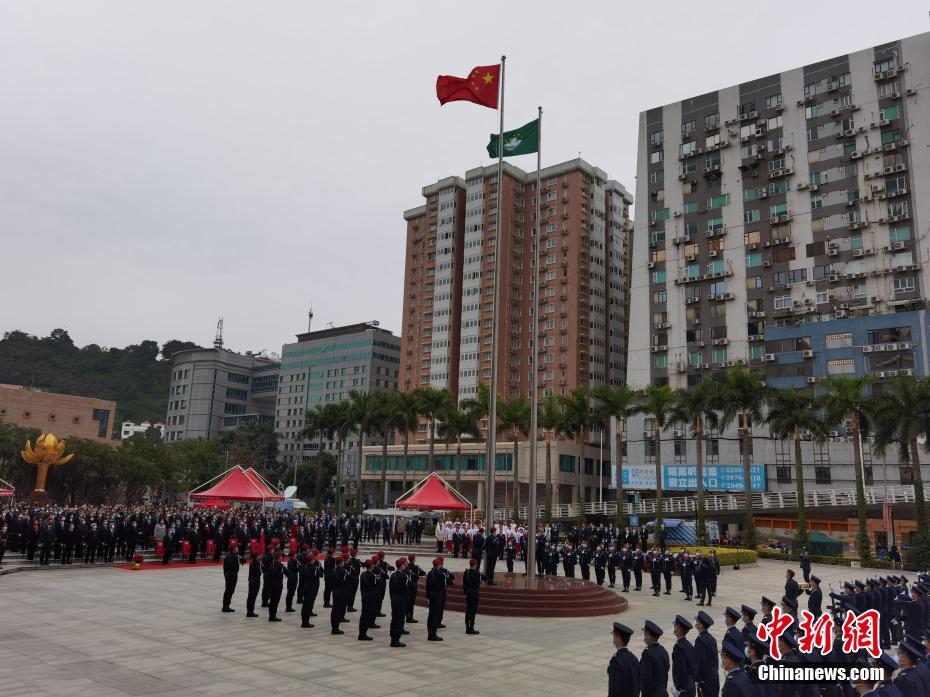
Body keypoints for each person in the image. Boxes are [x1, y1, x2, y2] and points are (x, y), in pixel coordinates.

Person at [608, 622, 640, 697]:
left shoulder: (616, 661)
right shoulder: (633, 657)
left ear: (618, 639)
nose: (613, 639)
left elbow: (614, 690)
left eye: (614, 636)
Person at [640, 620, 669, 697]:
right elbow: (665, 676)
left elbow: (646, 680)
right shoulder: (663, 650)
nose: (644, 637)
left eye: (645, 634)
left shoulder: (647, 654)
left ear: (649, 635)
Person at [426, 556, 452, 641]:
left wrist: (428, 597)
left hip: (431, 595)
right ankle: (433, 634)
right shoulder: (441, 574)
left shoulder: (429, 573)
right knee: (435, 615)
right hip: (438, 595)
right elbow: (449, 582)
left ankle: (429, 633)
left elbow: (427, 586)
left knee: (430, 614)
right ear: (439, 565)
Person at [695, 610, 719, 697]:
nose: (695, 623)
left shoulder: (700, 640)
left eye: (697, 621)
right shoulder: (711, 638)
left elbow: (701, 662)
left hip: (705, 680)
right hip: (713, 677)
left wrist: (698, 679)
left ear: (701, 625)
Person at [672, 615, 697, 697]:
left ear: (678, 629)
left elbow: (680, 670)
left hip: (684, 688)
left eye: (674, 626)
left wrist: (679, 689)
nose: (673, 628)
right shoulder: (689, 645)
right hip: (690, 685)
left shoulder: (679, 647)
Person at [299, 551, 323, 628]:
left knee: (305, 605)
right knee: (309, 605)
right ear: (312, 560)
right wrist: (320, 567)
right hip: (312, 588)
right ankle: (306, 622)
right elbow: (321, 574)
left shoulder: (304, 567)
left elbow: (301, 580)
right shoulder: (315, 568)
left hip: (305, 587)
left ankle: (303, 621)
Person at [388, 557, 409, 647]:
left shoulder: (392, 575)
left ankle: (393, 638)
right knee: (400, 619)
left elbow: (390, 589)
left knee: (394, 618)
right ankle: (396, 639)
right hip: (401, 598)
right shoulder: (404, 576)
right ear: (401, 566)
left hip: (394, 598)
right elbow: (408, 587)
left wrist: (392, 597)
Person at [357, 559, 378, 641]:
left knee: (364, 615)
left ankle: (362, 633)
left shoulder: (362, 574)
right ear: (371, 566)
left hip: (364, 595)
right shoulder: (372, 576)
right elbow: (376, 585)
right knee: (366, 615)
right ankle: (363, 634)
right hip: (370, 596)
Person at [463, 558, 482, 635]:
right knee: (473, 611)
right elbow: (478, 583)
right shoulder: (477, 573)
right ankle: (471, 628)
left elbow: (464, 585)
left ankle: (467, 628)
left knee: (468, 610)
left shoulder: (466, 572)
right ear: (475, 565)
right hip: (474, 593)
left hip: (468, 593)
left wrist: (465, 593)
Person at [404, 553, 425, 624]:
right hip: (413, 586)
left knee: (407, 602)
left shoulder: (406, 567)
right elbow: (423, 573)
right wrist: (420, 569)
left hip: (407, 587)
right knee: (411, 602)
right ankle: (410, 617)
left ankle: (407, 615)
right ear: (413, 559)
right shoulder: (416, 567)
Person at [221, 541, 240, 613]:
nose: (237, 548)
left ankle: (225, 606)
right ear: (234, 549)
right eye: (236, 547)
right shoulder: (234, 557)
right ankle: (226, 606)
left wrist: (226, 575)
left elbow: (224, 568)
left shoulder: (228, 556)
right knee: (229, 591)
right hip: (232, 576)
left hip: (228, 576)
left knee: (228, 591)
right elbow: (235, 567)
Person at [267, 549, 285, 622]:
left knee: (272, 601)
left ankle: (271, 615)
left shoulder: (272, 564)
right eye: (281, 556)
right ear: (279, 557)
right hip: (277, 585)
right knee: (275, 601)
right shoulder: (280, 566)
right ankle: (273, 616)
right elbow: (287, 573)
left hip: (271, 584)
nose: (282, 558)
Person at [245, 550, 261, 618]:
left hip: (251, 581)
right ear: (257, 556)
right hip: (255, 581)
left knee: (250, 596)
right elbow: (258, 573)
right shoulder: (256, 563)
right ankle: (250, 612)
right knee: (253, 597)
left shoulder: (251, 563)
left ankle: (249, 611)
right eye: (258, 555)